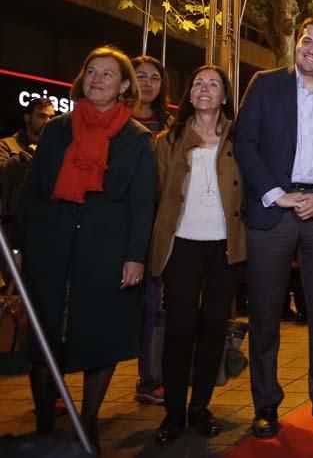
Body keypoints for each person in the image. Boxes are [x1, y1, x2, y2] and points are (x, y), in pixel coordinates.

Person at [15, 46, 155, 450]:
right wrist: (22, 246)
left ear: (125, 85)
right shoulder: (57, 130)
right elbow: (33, 190)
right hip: (51, 241)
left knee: (101, 333)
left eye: (108, 74)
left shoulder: (136, 139)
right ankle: (45, 424)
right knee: (43, 336)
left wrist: (135, 256)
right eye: (91, 71)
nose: (97, 79)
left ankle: (89, 419)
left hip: (107, 247)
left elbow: (142, 203)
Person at [235, 17, 313, 436]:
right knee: (266, 313)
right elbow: (244, 142)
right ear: (298, 43)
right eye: (308, 41)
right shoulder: (265, 84)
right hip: (272, 209)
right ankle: (266, 404)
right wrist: (275, 192)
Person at [149, 66, 247, 444]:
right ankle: (173, 412)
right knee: (180, 329)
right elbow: (157, 196)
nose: (205, 89)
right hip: (181, 245)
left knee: (213, 329)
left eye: (214, 84)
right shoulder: (168, 140)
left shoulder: (239, 139)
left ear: (224, 96)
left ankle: (200, 407)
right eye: (198, 84)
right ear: (189, 94)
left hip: (226, 247)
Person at [130, 54, 171, 406]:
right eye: (140, 75)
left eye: (154, 77)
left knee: (153, 305)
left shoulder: (169, 124)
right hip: (115, 223)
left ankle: (149, 377)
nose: (147, 83)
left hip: (159, 224)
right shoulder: (113, 120)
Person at [0, 97, 54, 287]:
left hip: (41, 228)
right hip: (9, 226)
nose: (47, 121)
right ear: (27, 117)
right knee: (7, 286)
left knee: (34, 288)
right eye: (41, 116)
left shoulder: (56, 151)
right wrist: (28, 153)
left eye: (51, 117)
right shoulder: (7, 145)